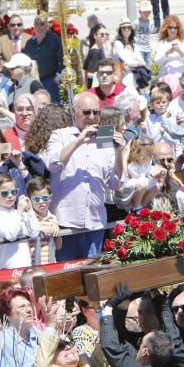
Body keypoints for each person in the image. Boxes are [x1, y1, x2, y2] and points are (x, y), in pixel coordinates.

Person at [44, 91, 125, 260]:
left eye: (96, 112)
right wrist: (79, 140)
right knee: (67, 278)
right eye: (86, 112)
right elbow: (52, 165)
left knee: (92, 276)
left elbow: (115, 183)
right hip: (66, 222)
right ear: (74, 111)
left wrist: (119, 153)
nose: (92, 117)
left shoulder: (104, 136)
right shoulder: (61, 135)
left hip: (94, 221)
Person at [0, 173, 39, 268]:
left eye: (14, 192)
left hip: (26, 263)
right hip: (7, 266)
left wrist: (30, 210)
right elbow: (10, 235)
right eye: (4, 193)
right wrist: (19, 212)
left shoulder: (16, 212)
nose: (10, 196)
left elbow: (34, 233)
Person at [23, 16, 64, 103]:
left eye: (42, 24)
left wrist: (58, 76)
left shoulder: (55, 40)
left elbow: (63, 58)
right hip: (33, 81)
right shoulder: (30, 43)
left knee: (53, 105)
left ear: (47, 26)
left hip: (51, 81)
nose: (39, 26)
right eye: (36, 24)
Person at [154, 16, 184, 92]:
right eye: (170, 27)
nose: (172, 30)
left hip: (180, 75)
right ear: (166, 28)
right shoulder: (162, 43)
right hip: (165, 76)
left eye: (175, 27)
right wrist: (166, 53)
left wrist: (179, 51)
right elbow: (157, 62)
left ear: (178, 28)